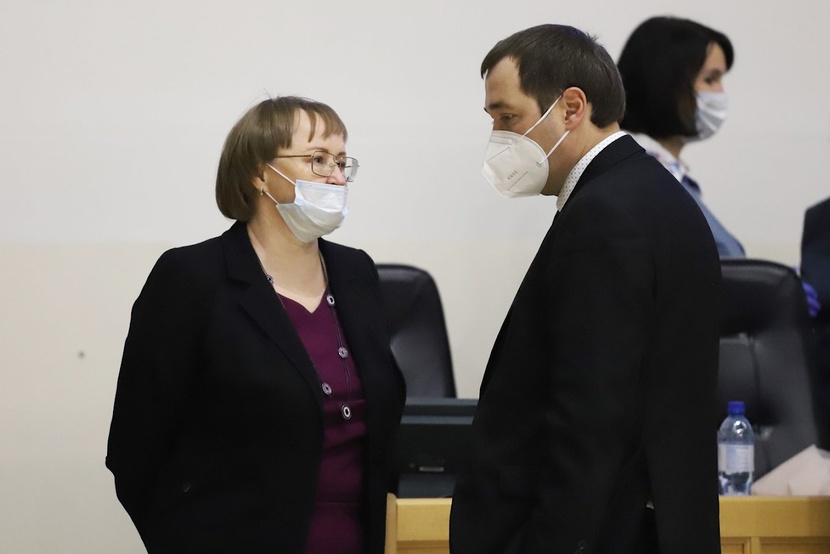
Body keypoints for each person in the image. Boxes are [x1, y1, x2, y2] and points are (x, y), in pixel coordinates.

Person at [449, 24, 722, 553]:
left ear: (572, 107)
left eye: (508, 118)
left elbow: (591, 419)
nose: (498, 138)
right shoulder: (654, 194)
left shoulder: (605, 215)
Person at [106, 96, 405, 553]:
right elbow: (136, 447)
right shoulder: (192, 278)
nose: (337, 177)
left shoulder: (356, 272)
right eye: (318, 159)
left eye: (342, 162)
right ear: (259, 174)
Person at [617, 16, 743, 258]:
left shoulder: (668, 175)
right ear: (665, 83)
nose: (721, 93)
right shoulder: (638, 177)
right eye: (710, 79)